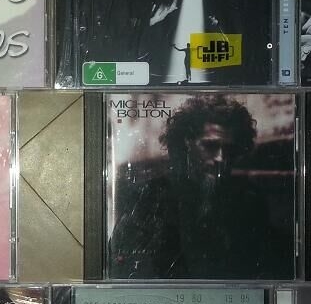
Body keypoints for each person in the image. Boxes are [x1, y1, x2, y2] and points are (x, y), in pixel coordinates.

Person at [108, 95, 287, 278]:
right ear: (186, 143)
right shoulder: (149, 197)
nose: (221, 158)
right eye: (210, 146)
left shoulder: (250, 202)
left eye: (230, 150)